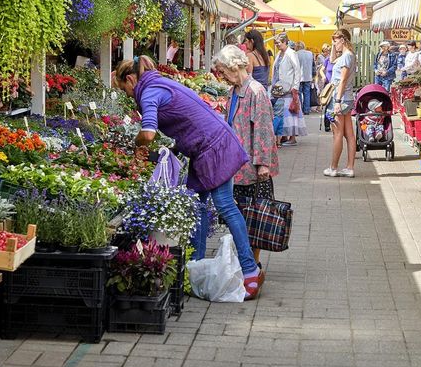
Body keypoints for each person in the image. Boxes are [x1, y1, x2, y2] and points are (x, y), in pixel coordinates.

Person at [114, 56, 264, 300]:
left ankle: (250, 273)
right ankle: (195, 265)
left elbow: (149, 133)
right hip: (207, 147)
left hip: (213, 148)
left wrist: (136, 144)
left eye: (125, 89)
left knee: (225, 205)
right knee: (196, 204)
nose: (128, 95)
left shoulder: (150, 91)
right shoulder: (161, 83)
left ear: (131, 79)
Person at [213, 45, 279, 268]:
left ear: (234, 66)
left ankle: (254, 262)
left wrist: (262, 164)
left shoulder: (255, 91)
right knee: (241, 214)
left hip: (252, 167)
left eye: (223, 71)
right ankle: (245, 259)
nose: (222, 76)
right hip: (237, 166)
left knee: (255, 216)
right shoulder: (235, 91)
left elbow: (263, 129)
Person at [324, 29, 357, 178]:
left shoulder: (346, 57)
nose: (334, 44)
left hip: (340, 98)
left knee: (337, 134)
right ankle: (349, 167)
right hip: (347, 98)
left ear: (343, 40)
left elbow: (342, 80)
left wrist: (337, 100)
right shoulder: (348, 56)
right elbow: (331, 60)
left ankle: (333, 167)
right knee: (349, 134)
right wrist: (332, 45)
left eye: (336, 41)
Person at [271, 33, 307, 146]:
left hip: (289, 87)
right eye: (276, 43)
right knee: (283, 112)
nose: (277, 45)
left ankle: (292, 137)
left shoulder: (291, 53)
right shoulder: (279, 53)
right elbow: (276, 69)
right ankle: (284, 135)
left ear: (285, 42)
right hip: (279, 87)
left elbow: (297, 70)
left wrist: (295, 87)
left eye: (279, 43)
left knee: (291, 111)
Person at [296, 41, 314, 114]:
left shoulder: (296, 54)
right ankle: (306, 110)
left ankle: (300, 110)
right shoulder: (310, 54)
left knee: (299, 93)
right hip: (308, 76)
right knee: (307, 93)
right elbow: (313, 66)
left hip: (299, 77)